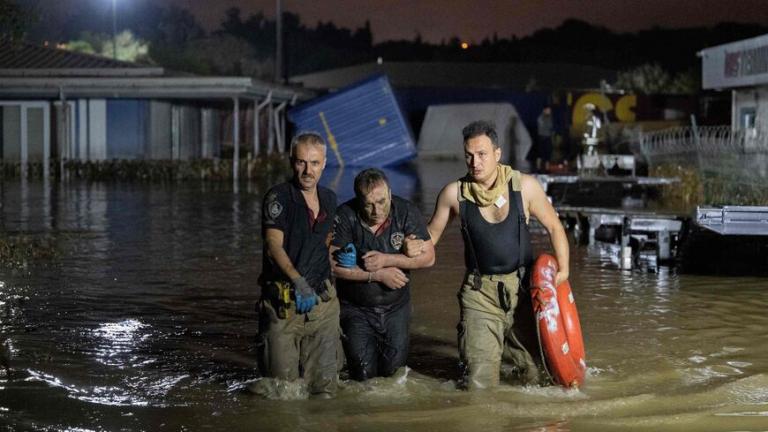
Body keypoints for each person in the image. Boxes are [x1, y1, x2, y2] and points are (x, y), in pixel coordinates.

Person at [405, 120, 569, 390]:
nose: (474, 162)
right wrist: (412, 246)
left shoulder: (525, 186)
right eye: (468, 155)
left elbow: (554, 225)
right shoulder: (453, 194)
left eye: (481, 154)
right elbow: (431, 236)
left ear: (497, 154)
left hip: (524, 292)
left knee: (535, 377)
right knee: (478, 383)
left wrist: (563, 271)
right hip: (479, 294)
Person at [330, 168, 435, 381]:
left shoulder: (406, 211)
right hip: (356, 310)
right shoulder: (344, 215)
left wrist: (388, 260)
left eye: (382, 201)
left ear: (389, 192)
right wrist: (376, 275)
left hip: (396, 309)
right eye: (369, 204)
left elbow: (430, 258)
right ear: (358, 200)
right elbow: (331, 265)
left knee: (394, 377)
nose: (377, 210)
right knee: (362, 376)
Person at [257, 131, 340, 399]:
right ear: (292, 162)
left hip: (323, 306)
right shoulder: (279, 198)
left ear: (324, 163)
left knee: (325, 391)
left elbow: (325, 244)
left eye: (314, 163)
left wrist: (345, 253)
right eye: (301, 162)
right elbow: (273, 246)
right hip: (284, 306)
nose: (307, 170)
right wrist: (298, 281)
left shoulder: (329, 199)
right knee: (283, 393)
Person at [536, 106, 554, 173]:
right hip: (542, 138)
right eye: (548, 110)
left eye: (550, 110)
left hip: (548, 138)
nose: (549, 112)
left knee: (548, 154)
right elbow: (543, 126)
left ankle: (547, 168)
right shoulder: (541, 118)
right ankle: (538, 168)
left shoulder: (550, 118)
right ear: (544, 110)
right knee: (540, 154)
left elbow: (551, 126)